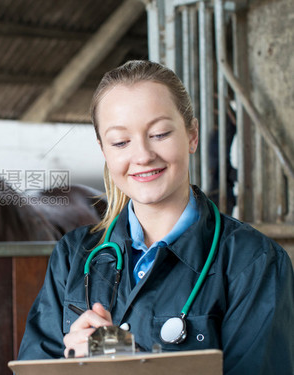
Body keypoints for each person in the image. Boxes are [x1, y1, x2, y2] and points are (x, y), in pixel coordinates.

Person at [17, 60, 294, 375]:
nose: (143, 155)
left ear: (192, 134)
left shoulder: (253, 262)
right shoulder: (72, 257)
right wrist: (72, 365)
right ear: (104, 151)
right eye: (121, 142)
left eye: (160, 133)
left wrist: (133, 365)